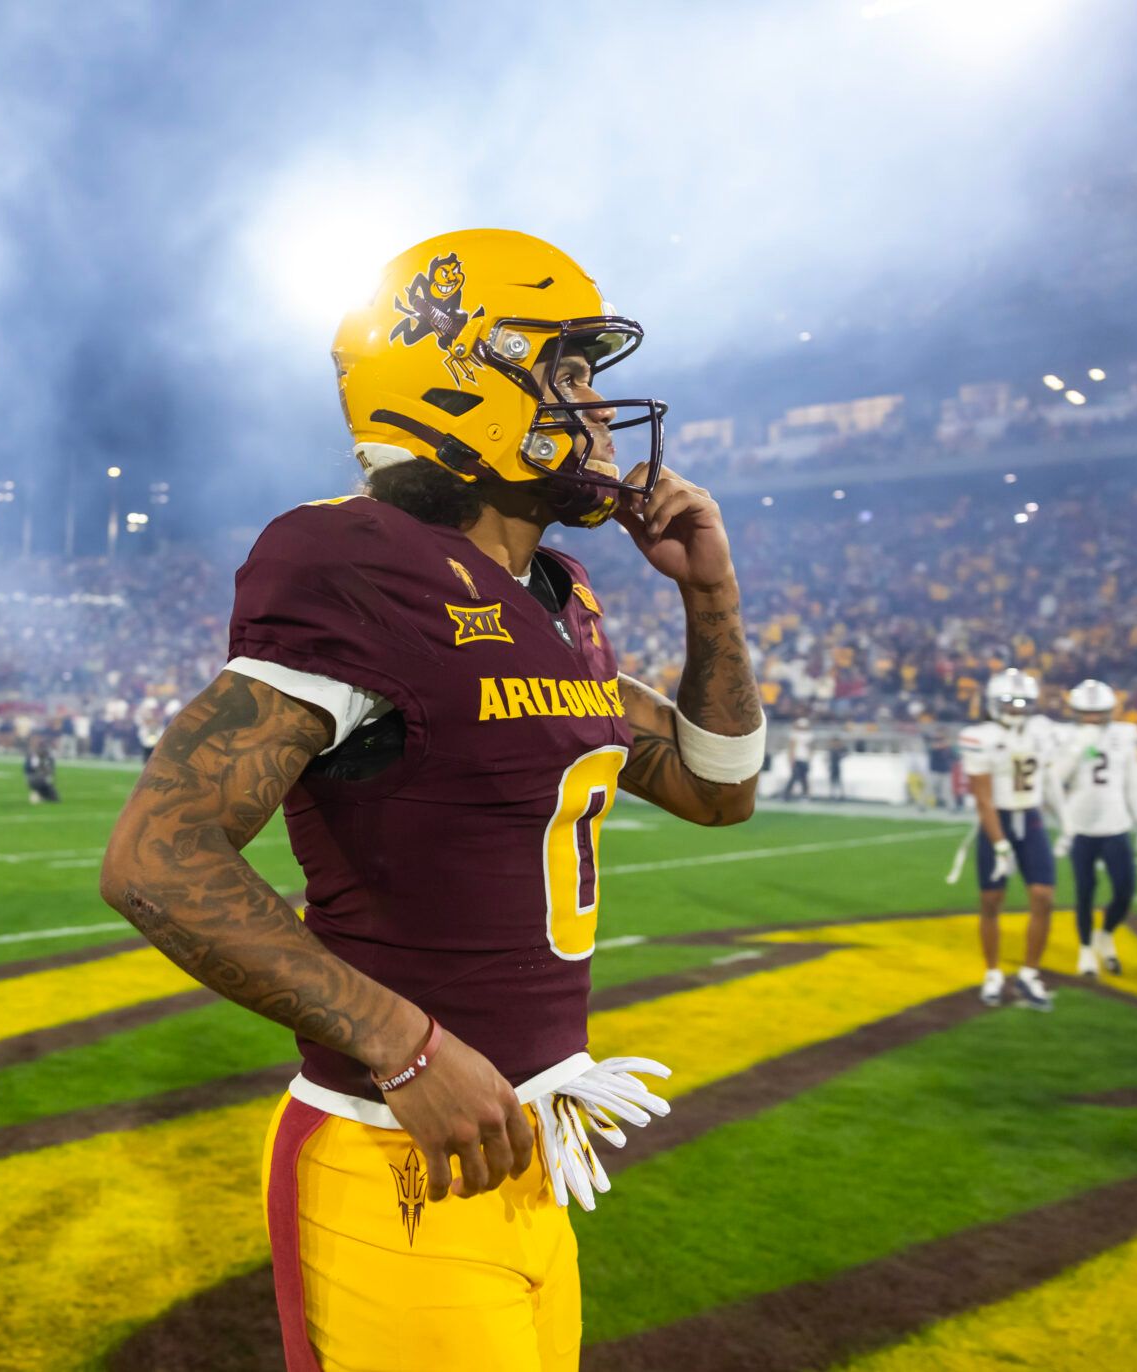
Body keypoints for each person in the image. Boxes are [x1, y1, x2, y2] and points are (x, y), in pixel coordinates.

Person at [100, 228, 764, 1372]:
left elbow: (718, 787)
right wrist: (403, 1044)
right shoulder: (354, 565)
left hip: (529, 1159)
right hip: (393, 1154)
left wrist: (713, 599)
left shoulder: (557, 595)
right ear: (460, 378)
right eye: (565, 374)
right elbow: (159, 858)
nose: (597, 412)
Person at [954, 668, 1062, 1010]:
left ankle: (1030, 974)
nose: (1016, 709)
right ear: (993, 703)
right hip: (996, 819)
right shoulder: (979, 736)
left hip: (1029, 818)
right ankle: (992, 973)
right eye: (1009, 703)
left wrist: (1069, 823)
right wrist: (1000, 845)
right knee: (991, 901)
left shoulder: (1042, 731)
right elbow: (983, 799)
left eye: (1022, 703)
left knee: (1043, 896)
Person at [1054, 680, 1137, 978]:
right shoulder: (1064, 736)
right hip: (1080, 825)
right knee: (1085, 892)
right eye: (1086, 713)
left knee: (1125, 891)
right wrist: (1076, 750)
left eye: (1098, 712)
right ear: (1075, 712)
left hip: (1115, 823)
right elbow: (1055, 780)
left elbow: (1133, 784)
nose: (1092, 719)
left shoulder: (1124, 736)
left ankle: (1106, 933)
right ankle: (1086, 949)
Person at [782, 719, 814, 800]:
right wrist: (791, 759)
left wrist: (810, 758)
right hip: (797, 758)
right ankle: (787, 794)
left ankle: (805, 795)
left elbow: (810, 748)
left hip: (804, 759)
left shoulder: (809, 735)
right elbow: (792, 748)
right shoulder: (794, 734)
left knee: (804, 778)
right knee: (794, 776)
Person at [24, 735, 60, 804]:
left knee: (54, 797)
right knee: (53, 796)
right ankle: (38, 793)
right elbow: (33, 768)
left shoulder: (45, 756)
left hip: (36, 778)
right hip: (36, 779)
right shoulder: (35, 755)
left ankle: (40, 794)